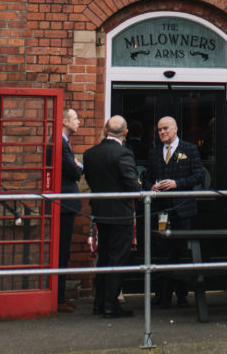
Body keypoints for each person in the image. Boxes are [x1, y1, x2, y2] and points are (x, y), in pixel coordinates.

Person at [141, 115, 205, 308]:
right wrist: (150, 186)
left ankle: (182, 295)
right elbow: (146, 177)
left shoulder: (189, 149)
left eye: (166, 129)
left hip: (182, 209)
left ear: (175, 129)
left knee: (182, 253)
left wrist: (178, 183)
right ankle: (161, 294)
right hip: (160, 209)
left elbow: (199, 175)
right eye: (159, 129)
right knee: (160, 252)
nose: (162, 132)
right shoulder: (153, 153)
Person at [83, 115, 140, 318]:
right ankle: (110, 305)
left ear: (106, 129)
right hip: (120, 215)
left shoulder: (90, 154)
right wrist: (139, 186)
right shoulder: (123, 154)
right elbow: (131, 185)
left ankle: (99, 303)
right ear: (125, 133)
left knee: (103, 258)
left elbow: (90, 180)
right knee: (117, 259)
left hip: (100, 213)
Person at [57, 108, 85, 312]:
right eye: (75, 119)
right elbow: (74, 171)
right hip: (63, 203)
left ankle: (58, 297)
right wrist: (79, 166)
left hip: (65, 203)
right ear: (65, 121)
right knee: (61, 251)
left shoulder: (65, 143)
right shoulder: (60, 144)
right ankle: (57, 299)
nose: (79, 122)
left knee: (63, 251)